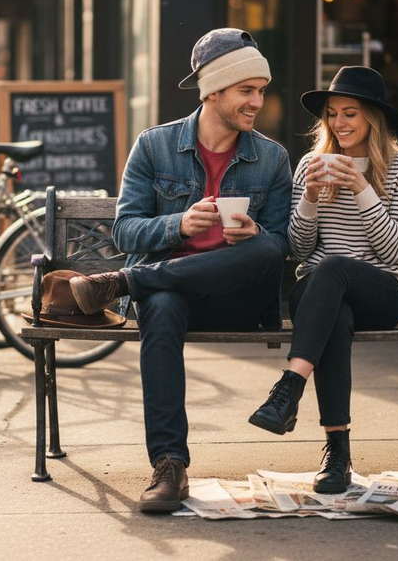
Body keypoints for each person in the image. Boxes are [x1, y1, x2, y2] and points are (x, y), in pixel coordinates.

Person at [66, 28, 293, 513]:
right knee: (163, 305)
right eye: (246, 90)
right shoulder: (155, 146)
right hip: (178, 295)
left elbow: (280, 245)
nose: (258, 101)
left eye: (261, 90)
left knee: (267, 252)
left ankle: (126, 282)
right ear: (213, 91)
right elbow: (125, 231)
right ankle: (170, 465)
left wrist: (254, 236)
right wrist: (179, 225)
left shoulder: (271, 158)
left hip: (240, 301)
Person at [248, 66, 398, 494]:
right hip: (321, 294)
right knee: (334, 311)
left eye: (350, 114)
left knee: (335, 268)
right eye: (332, 114)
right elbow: (301, 251)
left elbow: (394, 251)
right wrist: (308, 198)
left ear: (372, 120)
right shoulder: (311, 164)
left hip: (380, 292)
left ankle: (291, 385)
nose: (339, 124)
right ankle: (337, 454)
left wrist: (363, 188)